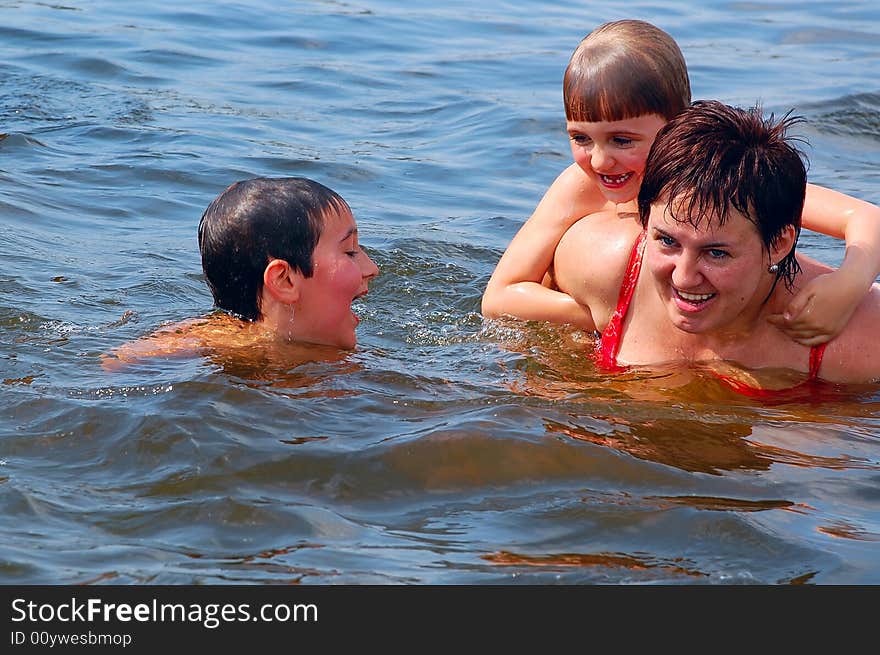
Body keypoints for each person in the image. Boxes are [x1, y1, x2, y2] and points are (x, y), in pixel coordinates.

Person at [481, 19, 880, 346]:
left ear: (678, 126)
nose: (600, 160)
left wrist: (846, 287)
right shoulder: (578, 187)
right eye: (580, 138)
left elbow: (866, 218)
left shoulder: (716, 182)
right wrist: (600, 313)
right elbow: (500, 296)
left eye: (623, 140)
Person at [549, 100, 880, 386]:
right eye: (667, 241)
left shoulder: (858, 337)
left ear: (779, 245)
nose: (683, 277)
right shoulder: (605, 264)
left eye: (716, 253)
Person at [103, 177, 379, 369]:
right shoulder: (231, 342)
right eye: (350, 251)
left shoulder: (338, 357)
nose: (372, 268)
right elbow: (117, 360)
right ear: (284, 280)